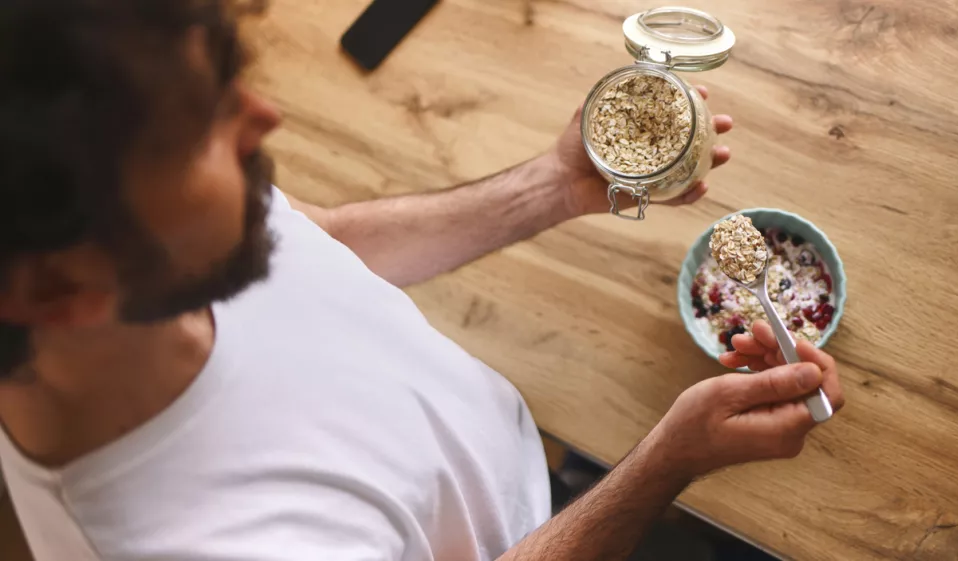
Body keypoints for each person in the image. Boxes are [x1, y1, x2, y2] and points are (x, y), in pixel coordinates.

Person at [0, 2, 844, 560]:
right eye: (199, 134)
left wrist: (553, 185)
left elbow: (312, 243)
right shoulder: (219, 541)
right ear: (56, 293)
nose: (267, 116)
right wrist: (665, 460)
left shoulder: (139, 261)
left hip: (544, 478)